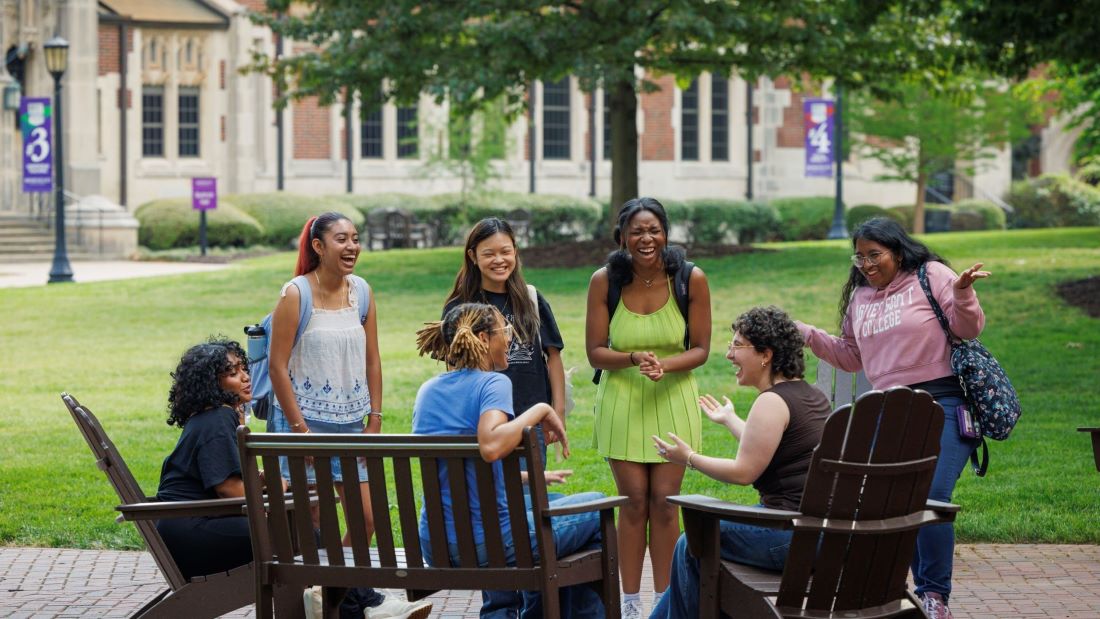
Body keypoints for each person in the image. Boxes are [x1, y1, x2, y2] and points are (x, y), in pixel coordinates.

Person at [795, 217, 989, 619]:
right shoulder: (861, 298)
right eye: (860, 256)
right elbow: (851, 357)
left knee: (930, 498)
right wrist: (807, 333)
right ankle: (895, 591)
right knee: (897, 503)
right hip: (887, 411)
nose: (866, 264)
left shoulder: (930, 275)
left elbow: (967, 329)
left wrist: (962, 293)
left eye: (874, 255)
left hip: (942, 405)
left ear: (897, 251)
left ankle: (934, 597)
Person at [268, 212, 430, 619]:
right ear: (319, 246)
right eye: (342, 239)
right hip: (305, 427)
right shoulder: (295, 294)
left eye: (356, 238)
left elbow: (373, 359)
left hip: (352, 425)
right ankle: (354, 601)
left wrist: (374, 420)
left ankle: (330, 592)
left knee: (367, 521)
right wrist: (300, 432)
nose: (352, 247)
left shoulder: (362, 292)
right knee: (316, 531)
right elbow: (276, 366)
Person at [413, 302, 606, 618]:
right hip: (486, 543)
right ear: (483, 338)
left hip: (436, 543)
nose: (512, 337)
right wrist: (540, 409)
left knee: (549, 502)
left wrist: (531, 478)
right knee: (597, 507)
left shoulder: (428, 390)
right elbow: (490, 446)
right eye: (505, 330)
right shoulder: (493, 383)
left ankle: (503, 612)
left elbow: (462, 472)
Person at [648, 306, 830, 618]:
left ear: (765, 355)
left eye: (737, 346)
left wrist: (688, 458)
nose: (730, 355)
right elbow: (769, 448)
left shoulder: (771, 402)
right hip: (818, 535)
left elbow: (745, 471)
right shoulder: (809, 395)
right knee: (696, 548)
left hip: (790, 537)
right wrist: (731, 420)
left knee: (694, 541)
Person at [585, 197, 711, 618]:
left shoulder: (690, 279)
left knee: (665, 502)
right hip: (622, 400)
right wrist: (634, 358)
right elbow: (595, 352)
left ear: (666, 234)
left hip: (673, 397)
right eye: (636, 231)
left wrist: (665, 366)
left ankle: (666, 601)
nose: (646, 238)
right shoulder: (605, 281)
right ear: (622, 237)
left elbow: (702, 349)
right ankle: (631, 602)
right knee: (633, 501)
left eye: (654, 229)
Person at [442, 217, 568, 471]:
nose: (499, 260)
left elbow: (552, 356)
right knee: (493, 495)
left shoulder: (531, 298)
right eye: (489, 254)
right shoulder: (460, 306)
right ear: (473, 256)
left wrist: (557, 412)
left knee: (528, 497)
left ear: (515, 251)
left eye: (505, 251)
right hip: (484, 420)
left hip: (532, 418)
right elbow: (454, 368)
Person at [156, 337, 273, 579]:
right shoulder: (217, 418)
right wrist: (270, 492)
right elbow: (229, 489)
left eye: (243, 368)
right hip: (194, 532)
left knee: (300, 532)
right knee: (298, 533)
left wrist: (263, 482)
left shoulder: (213, 417)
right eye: (232, 373)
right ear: (211, 383)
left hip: (193, 525)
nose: (245, 377)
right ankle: (355, 605)